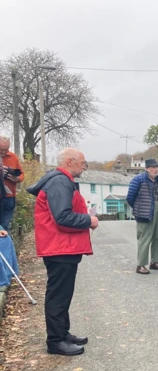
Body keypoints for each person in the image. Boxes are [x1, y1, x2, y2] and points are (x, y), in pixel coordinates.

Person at [27, 148, 98, 356]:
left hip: (62, 246)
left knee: (63, 294)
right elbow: (62, 217)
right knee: (58, 295)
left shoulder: (60, 181)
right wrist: (89, 220)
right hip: (59, 247)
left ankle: (62, 333)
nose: (84, 167)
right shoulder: (60, 182)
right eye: (83, 163)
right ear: (70, 161)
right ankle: (56, 341)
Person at [126, 158, 158, 275]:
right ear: (146, 169)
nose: (155, 170)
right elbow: (130, 198)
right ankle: (140, 265)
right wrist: (139, 209)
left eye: (156, 167)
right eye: (152, 168)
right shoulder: (138, 180)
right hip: (144, 213)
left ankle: (154, 262)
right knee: (144, 239)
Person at [0, 136, 25, 232]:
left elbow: (22, 174)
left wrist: (16, 178)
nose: (3, 152)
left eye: (6, 150)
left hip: (9, 197)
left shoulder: (13, 157)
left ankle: (5, 246)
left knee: (5, 226)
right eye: (1, 149)